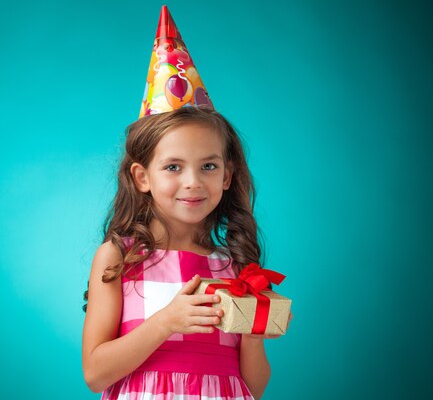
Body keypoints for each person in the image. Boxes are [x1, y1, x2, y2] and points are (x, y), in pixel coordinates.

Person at [82, 106, 292, 400]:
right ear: (142, 177)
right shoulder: (119, 257)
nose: (193, 181)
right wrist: (166, 322)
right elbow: (95, 374)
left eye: (208, 166)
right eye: (173, 167)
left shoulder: (236, 269)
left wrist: (253, 336)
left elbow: (252, 390)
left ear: (226, 177)